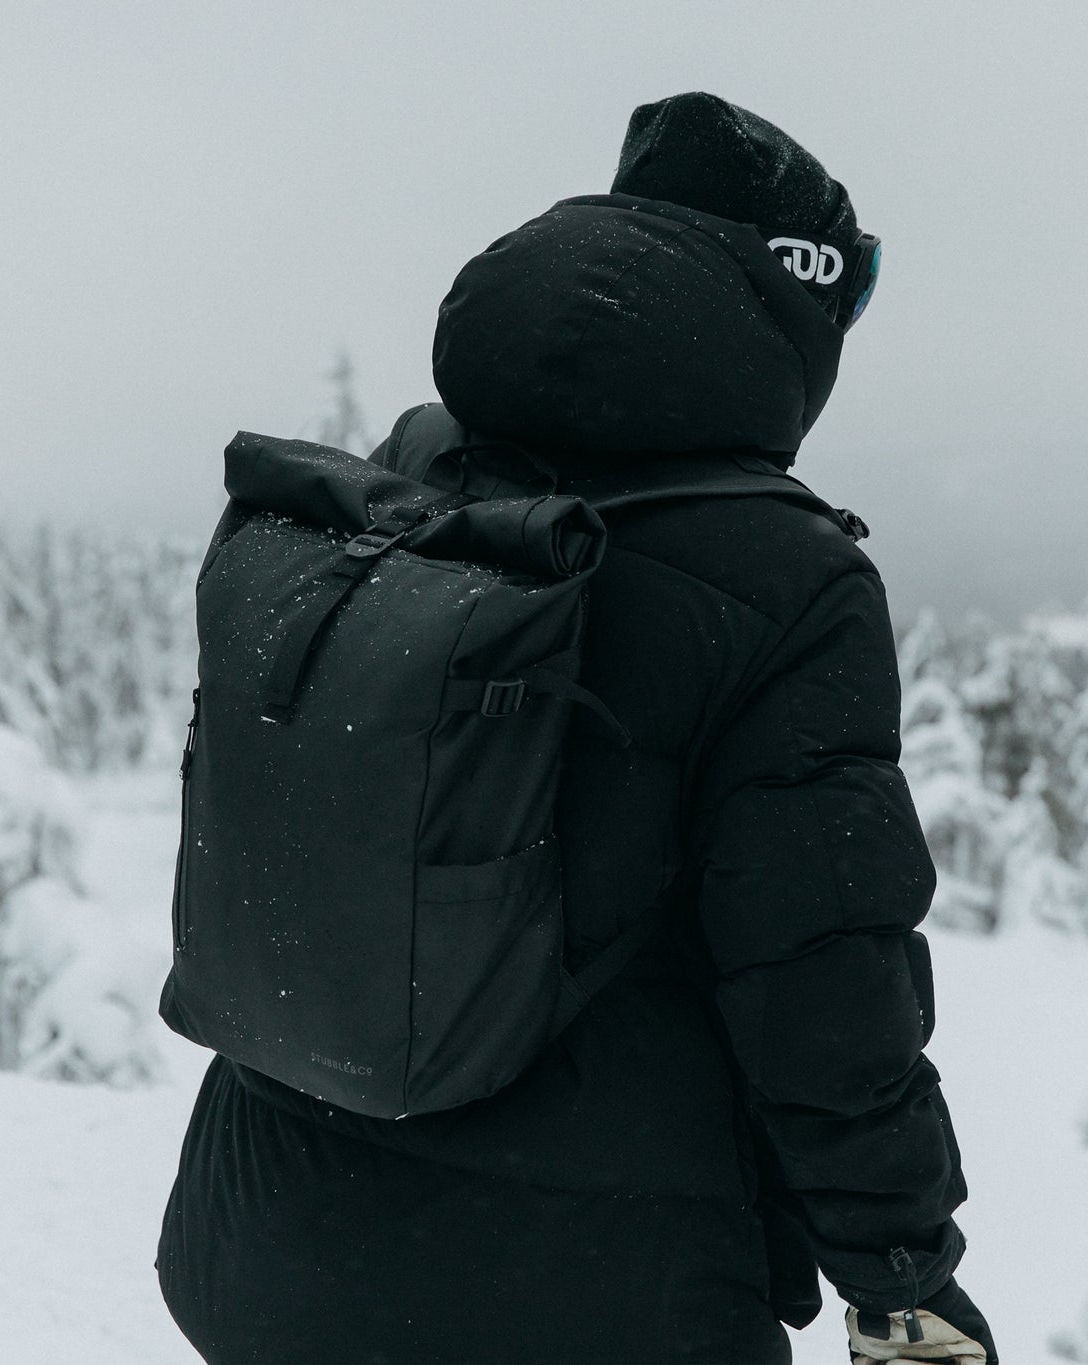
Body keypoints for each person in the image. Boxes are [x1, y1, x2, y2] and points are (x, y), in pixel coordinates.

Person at [156, 91, 994, 1365]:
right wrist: (901, 1275)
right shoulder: (789, 578)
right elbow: (821, 978)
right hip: (595, 1294)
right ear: (793, 299)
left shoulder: (418, 476)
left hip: (266, 1234)